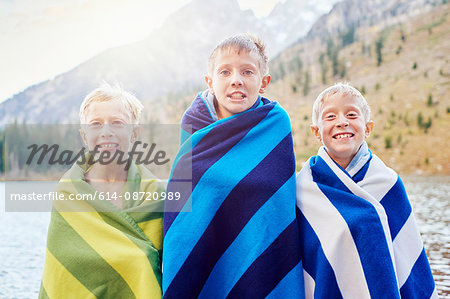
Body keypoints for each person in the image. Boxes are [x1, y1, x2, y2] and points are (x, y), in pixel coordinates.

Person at [162, 34, 304, 298]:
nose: (236, 79)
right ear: (210, 82)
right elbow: (183, 208)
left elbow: (279, 200)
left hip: (262, 260)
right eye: (224, 72)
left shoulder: (275, 123)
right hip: (204, 260)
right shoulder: (194, 125)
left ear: (264, 82)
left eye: (247, 71)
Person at [296, 82, 437, 298]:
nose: (342, 122)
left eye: (352, 115)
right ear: (316, 131)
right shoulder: (304, 188)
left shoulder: (387, 184)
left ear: (368, 127)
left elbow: (407, 256)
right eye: (330, 117)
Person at [39, 83, 164, 298]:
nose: (106, 132)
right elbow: (60, 273)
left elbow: (169, 265)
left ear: (134, 133)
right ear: (85, 135)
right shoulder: (68, 192)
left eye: (117, 123)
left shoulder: (154, 193)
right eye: (95, 124)